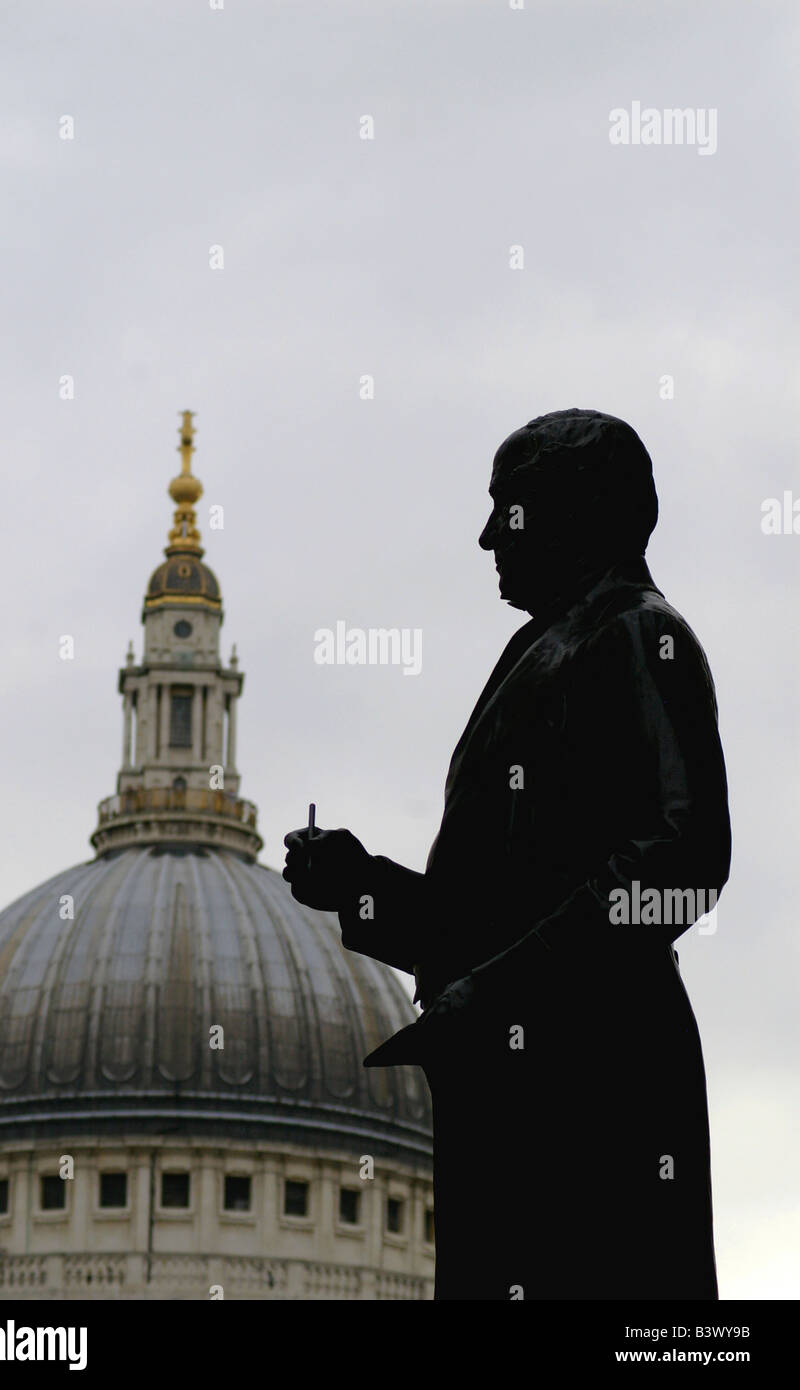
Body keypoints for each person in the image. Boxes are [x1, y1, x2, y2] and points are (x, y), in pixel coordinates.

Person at [283, 408, 731, 1301]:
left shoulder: (640, 635)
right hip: (523, 1076)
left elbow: (684, 862)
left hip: (596, 1077)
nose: (489, 535)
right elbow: (489, 924)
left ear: (582, 511)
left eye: (511, 510)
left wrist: (499, 993)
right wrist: (360, 887)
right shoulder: (543, 650)